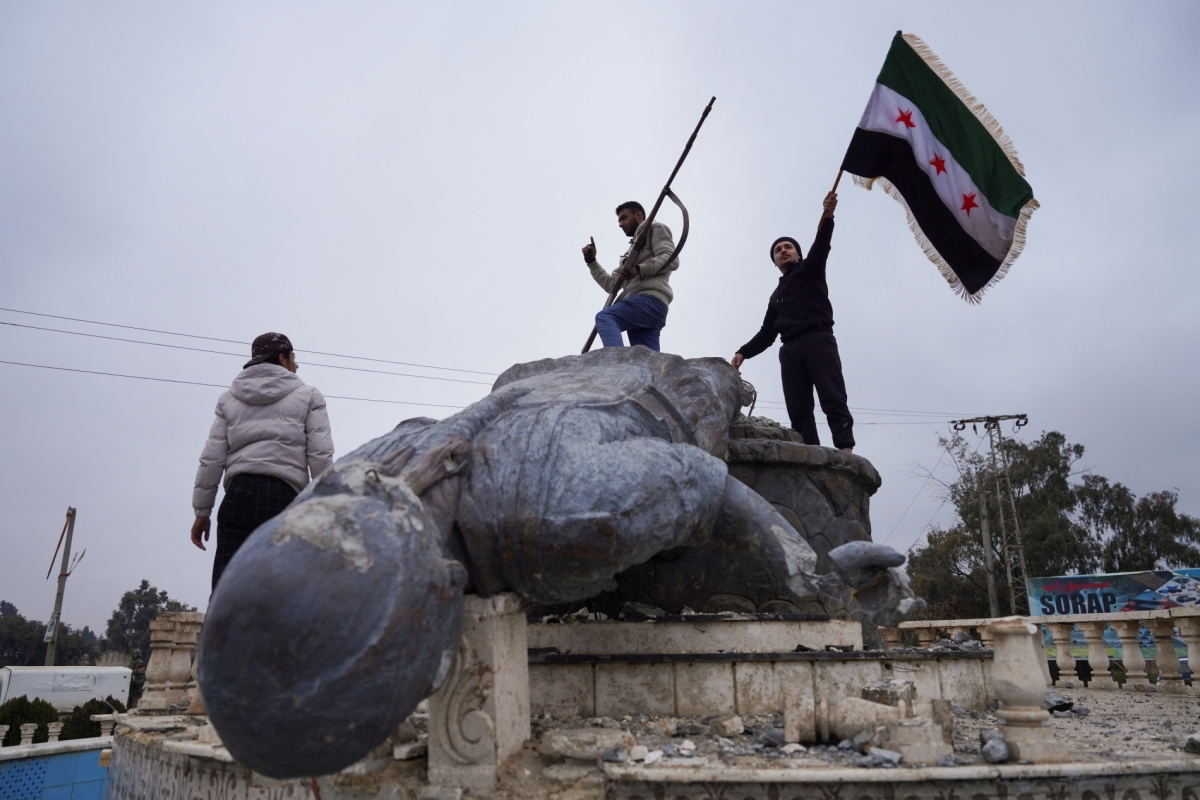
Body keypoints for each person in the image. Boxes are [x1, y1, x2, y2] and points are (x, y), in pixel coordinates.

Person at [191, 332, 334, 590]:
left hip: (236, 498)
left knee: (227, 592)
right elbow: (320, 455)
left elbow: (211, 459)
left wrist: (202, 511)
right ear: (282, 358)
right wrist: (329, 507)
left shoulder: (228, 399)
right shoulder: (309, 395)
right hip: (283, 498)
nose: (297, 365)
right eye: (294, 358)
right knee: (281, 595)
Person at [731, 191, 855, 452]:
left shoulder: (811, 269)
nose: (783, 251)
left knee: (832, 397)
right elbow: (766, 334)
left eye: (788, 247)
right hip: (789, 351)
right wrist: (743, 352)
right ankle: (811, 453)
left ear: (798, 254)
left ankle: (846, 450)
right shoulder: (776, 297)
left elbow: (822, 242)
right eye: (778, 250)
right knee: (798, 409)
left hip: (818, 339)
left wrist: (828, 215)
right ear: (775, 261)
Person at [581, 201, 679, 351]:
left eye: (624, 218)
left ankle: (617, 363)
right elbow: (611, 285)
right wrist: (592, 262)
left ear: (638, 215)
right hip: (648, 308)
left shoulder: (654, 228)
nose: (621, 224)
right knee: (645, 360)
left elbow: (671, 258)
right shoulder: (629, 254)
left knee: (606, 317)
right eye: (619, 220)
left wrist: (639, 269)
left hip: (647, 301)